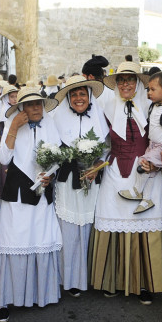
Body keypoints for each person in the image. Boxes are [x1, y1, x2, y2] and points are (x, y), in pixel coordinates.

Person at [90, 61, 162, 305]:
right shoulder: (105, 105)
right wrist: (97, 163)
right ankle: (112, 280)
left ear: (138, 83)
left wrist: (155, 162)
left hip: (144, 172)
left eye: (130, 79)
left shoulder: (152, 106)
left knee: (143, 220)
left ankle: (145, 283)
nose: (125, 84)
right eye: (121, 80)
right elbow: (102, 143)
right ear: (116, 83)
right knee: (113, 218)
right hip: (115, 170)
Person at [0, 87, 62, 322]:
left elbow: (57, 156)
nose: (36, 108)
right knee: (13, 241)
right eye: (30, 104)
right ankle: (4, 299)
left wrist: (50, 174)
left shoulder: (50, 124)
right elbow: (4, 159)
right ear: (21, 108)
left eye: (38, 103)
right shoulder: (12, 124)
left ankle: (39, 293)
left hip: (42, 194)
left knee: (40, 238)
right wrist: (15, 126)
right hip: (16, 195)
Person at [53, 75, 108, 298]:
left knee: (87, 228)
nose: (78, 98)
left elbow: (106, 149)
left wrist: (96, 165)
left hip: (90, 182)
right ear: (68, 98)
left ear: (89, 96)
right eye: (73, 94)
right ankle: (66, 278)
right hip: (67, 183)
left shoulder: (98, 116)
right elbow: (51, 149)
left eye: (82, 94)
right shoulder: (56, 117)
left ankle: (84, 277)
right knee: (67, 230)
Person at [118, 71, 162, 214]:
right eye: (148, 89)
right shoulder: (153, 106)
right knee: (151, 173)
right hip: (153, 145)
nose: (149, 93)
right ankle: (147, 199)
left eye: (153, 90)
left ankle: (137, 191)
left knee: (144, 163)